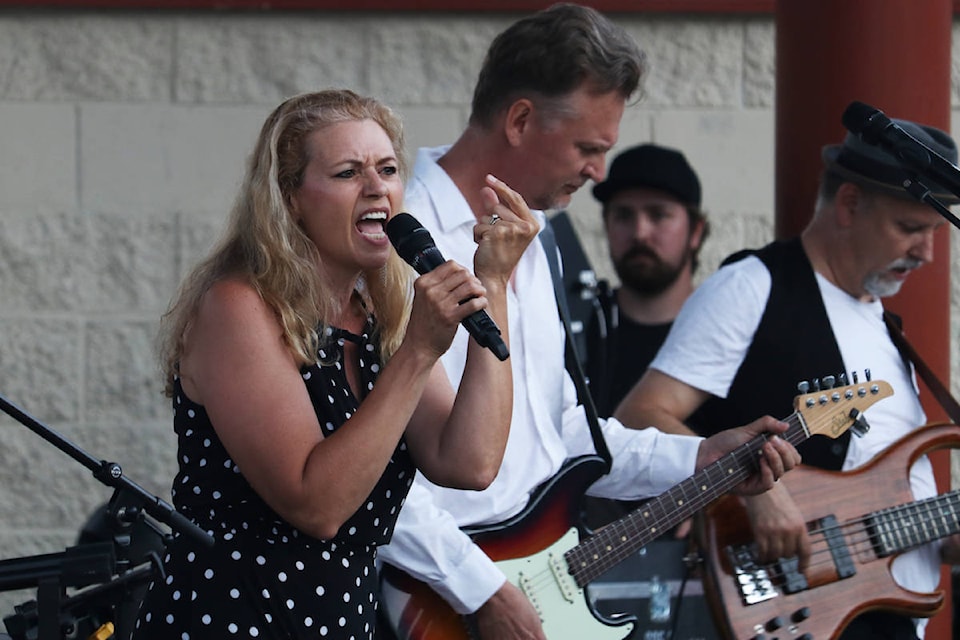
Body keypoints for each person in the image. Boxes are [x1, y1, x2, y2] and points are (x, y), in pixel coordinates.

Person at [376, 5, 801, 640]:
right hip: (437, 600)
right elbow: (370, 464)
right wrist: (479, 589)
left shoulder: (539, 236)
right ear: (520, 119)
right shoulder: (396, 243)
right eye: (588, 147)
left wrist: (700, 457)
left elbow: (565, 435)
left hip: (532, 583)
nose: (599, 172)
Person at [131, 88, 539, 638]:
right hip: (232, 619)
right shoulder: (238, 307)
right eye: (348, 172)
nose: (378, 188)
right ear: (290, 198)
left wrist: (492, 282)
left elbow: (469, 462)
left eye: (389, 169)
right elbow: (317, 505)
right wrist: (420, 349)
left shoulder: (382, 314)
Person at [615, 117, 960, 639]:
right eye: (910, 229)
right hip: (786, 611)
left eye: (932, 232)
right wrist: (750, 491)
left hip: (881, 617)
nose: (926, 252)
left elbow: (883, 504)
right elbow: (640, 415)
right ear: (848, 203)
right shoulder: (752, 287)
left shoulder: (886, 329)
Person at [584, 142, 709, 418]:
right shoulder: (578, 328)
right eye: (623, 215)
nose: (640, 233)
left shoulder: (723, 330)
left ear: (696, 231)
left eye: (658, 215)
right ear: (606, 225)